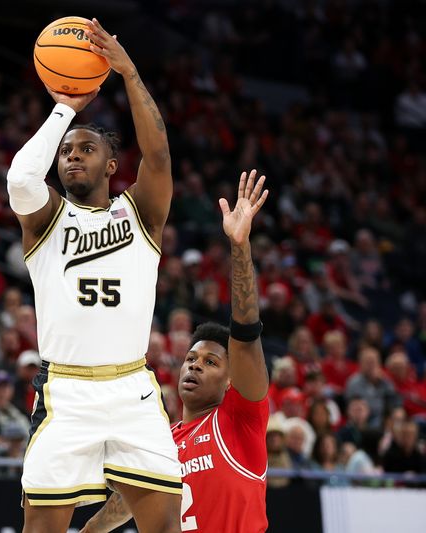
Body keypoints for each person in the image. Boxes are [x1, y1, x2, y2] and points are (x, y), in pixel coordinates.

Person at [8, 18, 180, 532]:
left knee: (166, 527)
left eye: (86, 148)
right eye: (66, 150)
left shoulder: (140, 214)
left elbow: (160, 155)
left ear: (111, 165)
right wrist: (66, 107)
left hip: (132, 388)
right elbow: (20, 177)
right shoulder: (45, 220)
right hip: (66, 391)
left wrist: (128, 73)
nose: (72, 155)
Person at [83, 170, 271, 532]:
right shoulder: (162, 441)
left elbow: (246, 335)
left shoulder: (239, 420)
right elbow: (128, 499)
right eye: (191, 359)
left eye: (211, 362)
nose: (195, 366)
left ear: (231, 381)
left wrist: (239, 247)